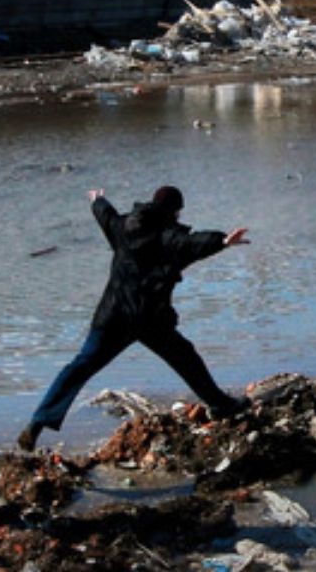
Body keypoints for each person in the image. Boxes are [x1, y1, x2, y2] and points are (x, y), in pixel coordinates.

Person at [17, 185, 251, 452]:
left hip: (113, 316)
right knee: (186, 359)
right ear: (175, 211)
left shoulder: (123, 228)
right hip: (150, 320)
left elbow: (106, 216)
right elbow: (192, 243)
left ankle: (38, 422)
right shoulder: (168, 237)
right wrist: (222, 241)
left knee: (79, 367)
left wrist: (98, 200)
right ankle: (222, 405)